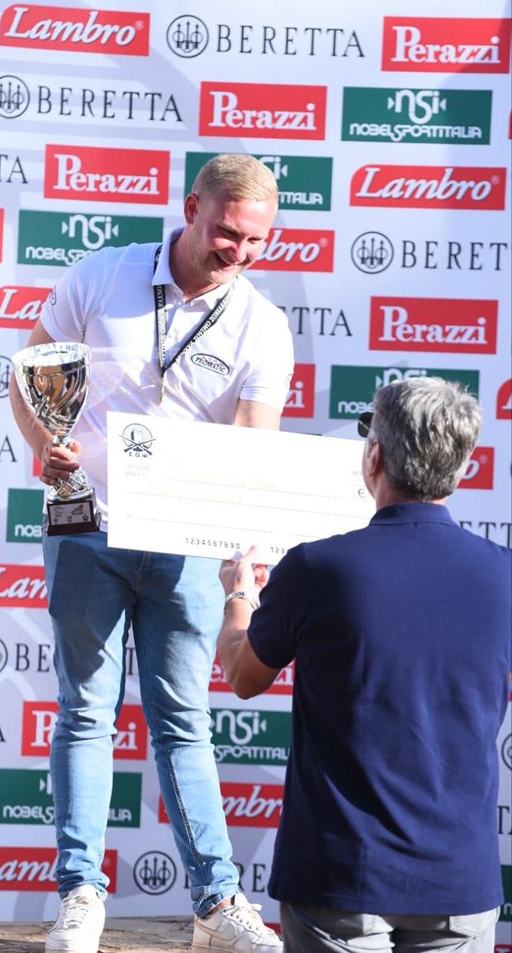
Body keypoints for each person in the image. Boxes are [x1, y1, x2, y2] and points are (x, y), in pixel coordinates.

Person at [9, 153, 295, 953]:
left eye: (256, 240)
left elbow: (251, 452)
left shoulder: (262, 325)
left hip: (187, 544)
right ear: (191, 207)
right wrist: (43, 444)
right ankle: (79, 895)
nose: (239, 252)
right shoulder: (103, 274)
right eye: (227, 233)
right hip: (84, 521)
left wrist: (241, 564)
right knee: (85, 713)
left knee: (183, 721)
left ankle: (215, 900)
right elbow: (30, 373)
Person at [216, 376, 511, 953]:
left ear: (373, 457)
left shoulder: (317, 568)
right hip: (458, 884)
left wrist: (239, 597)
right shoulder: (503, 575)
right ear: (461, 468)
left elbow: (243, 675)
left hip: (339, 877)